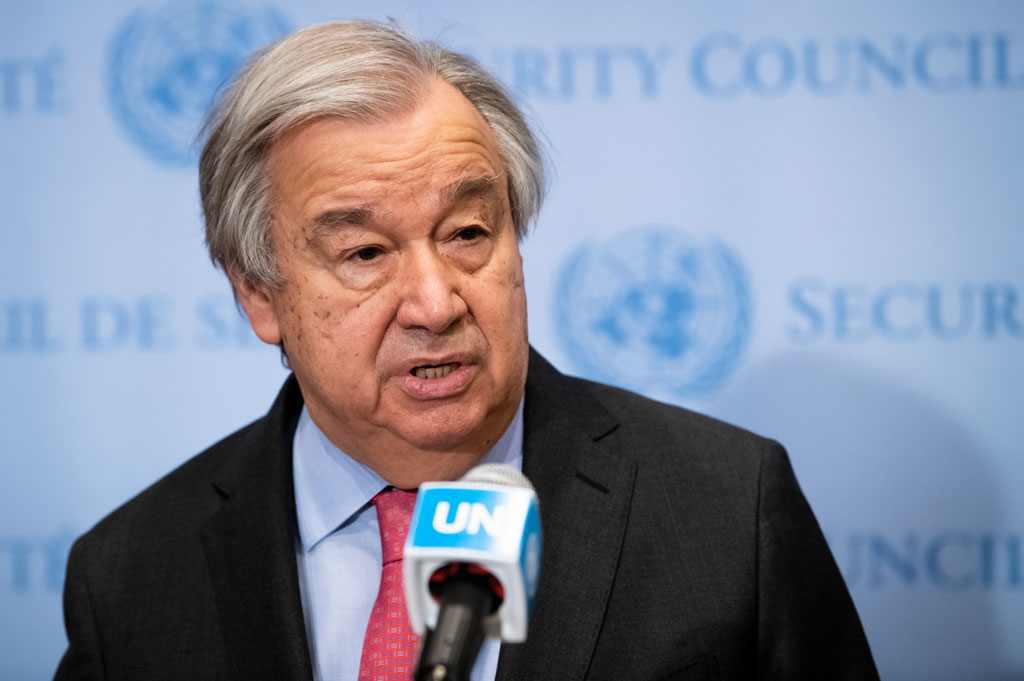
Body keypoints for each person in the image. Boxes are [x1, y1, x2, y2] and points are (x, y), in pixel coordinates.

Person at [55, 19, 879, 681]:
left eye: (468, 233)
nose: (438, 301)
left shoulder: (727, 511)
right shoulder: (130, 577)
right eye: (366, 253)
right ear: (260, 294)